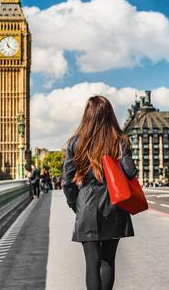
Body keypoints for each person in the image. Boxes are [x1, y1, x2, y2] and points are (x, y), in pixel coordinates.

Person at [62, 96, 137, 290]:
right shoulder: (119, 140)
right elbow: (130, 172)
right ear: (110, 115)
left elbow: (67, 182)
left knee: (91, 264)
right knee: (108, 261)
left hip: (86, 203)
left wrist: (75, 204)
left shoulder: (75, 143)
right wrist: (121, 150)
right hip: (114, 203)